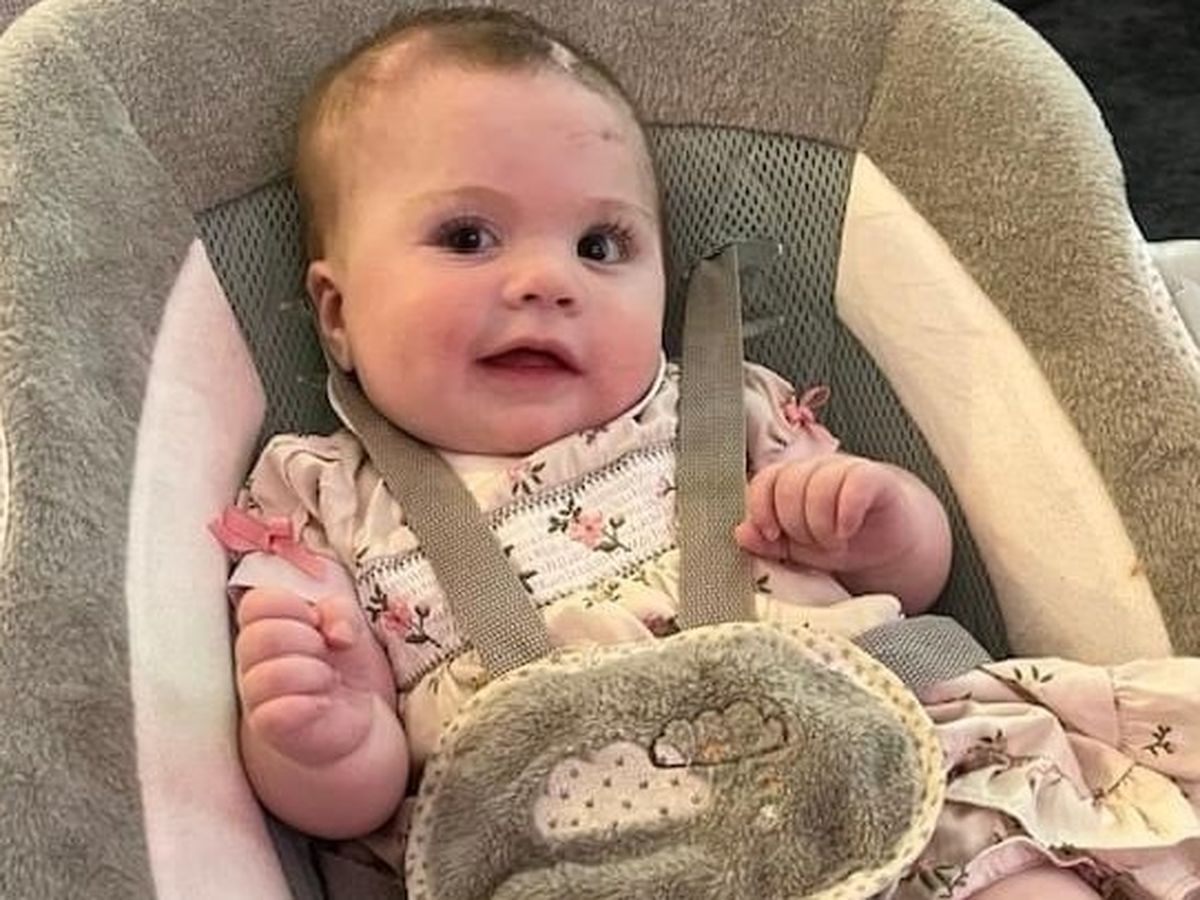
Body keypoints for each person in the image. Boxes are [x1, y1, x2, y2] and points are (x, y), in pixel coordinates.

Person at [214, 8, 1198, 898]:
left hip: (870, 760)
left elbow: (911, 583)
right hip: (580, 858)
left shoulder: (723, 411)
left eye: (601, 247)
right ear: (336, 311)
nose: (547, 281)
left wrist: (877, 522)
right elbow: (352, 802)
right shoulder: (323, 500)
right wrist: (324, 736)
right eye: (468, 236)